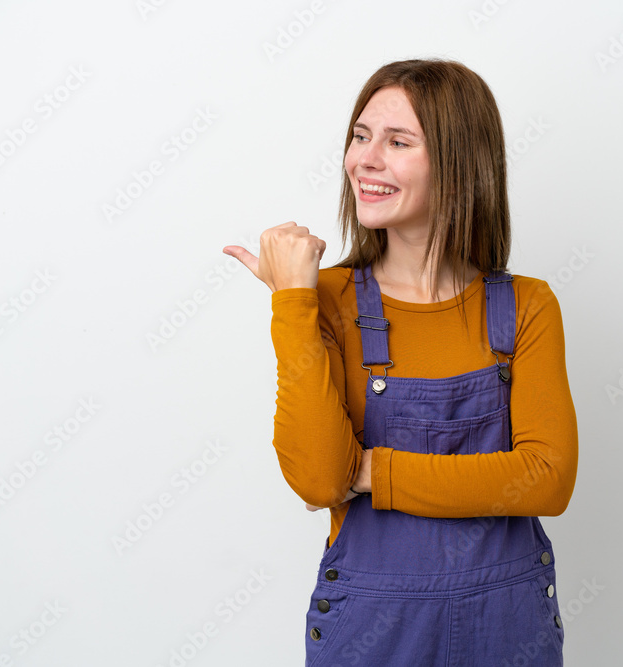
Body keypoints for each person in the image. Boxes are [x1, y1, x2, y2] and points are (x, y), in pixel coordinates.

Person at [223, 58, 578, 665]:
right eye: (360, 136)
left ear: (459, 162)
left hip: (507, 628)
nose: (364, 159)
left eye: (397, 142)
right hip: (373, 634)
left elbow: (546, 478)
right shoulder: (324, 299)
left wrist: (372, 472)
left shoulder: (526, 305)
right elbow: (320, 480)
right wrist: (292, 302)